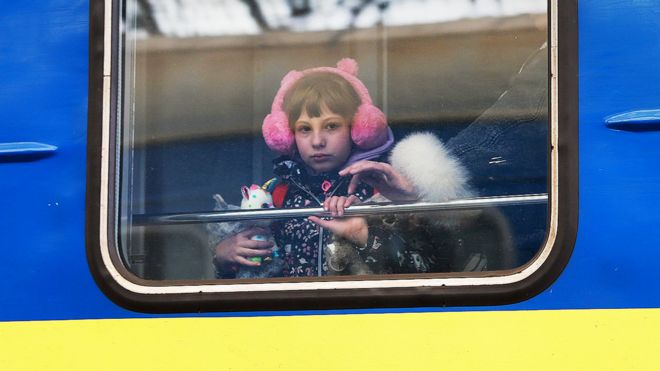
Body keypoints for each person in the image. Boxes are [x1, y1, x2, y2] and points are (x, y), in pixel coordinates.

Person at [211, 58, 513, 278]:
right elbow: (255, 276)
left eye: (331, 126)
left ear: (359, 129)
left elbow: (425, 268)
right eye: (304, 129)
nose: (317, 141)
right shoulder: (274, 194)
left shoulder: (381, 188)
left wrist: (364, 234)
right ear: (287, 135)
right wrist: (224, 256)